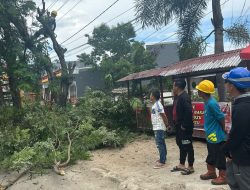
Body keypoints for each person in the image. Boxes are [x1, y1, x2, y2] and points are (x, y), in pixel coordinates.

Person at [222, 67, 250, 190]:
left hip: (243, 158)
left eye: (226, 82)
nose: (225, 85)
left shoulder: (241, 107)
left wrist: (226, 149)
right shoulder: (244, 103)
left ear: (232, 86)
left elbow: (237, 135)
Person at [196, 80, 227, 185]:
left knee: (219, 155)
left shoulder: (212, 103)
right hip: (211, 134)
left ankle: (223, 176)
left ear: (203, 92)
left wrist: (223, 129)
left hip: (216, 135)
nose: (197, 91)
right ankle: (211, 172)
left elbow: (221, 117)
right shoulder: (207, 102)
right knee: (211, 154)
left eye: (199, 90)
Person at [171, 79, 195, 175]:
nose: (172, 88)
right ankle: (181, 164)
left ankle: (190, 166)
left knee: (187, 145)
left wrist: (184, 125)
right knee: (180, 144)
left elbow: (189, 111)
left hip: (185, 128)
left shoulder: (184, 97)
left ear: (177, 87)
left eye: (173, 86)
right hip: (179, 127)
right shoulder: (178, 97)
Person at [150, 89, 168, 169]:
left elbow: (163, 115)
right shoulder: (155, 104)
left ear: (153, 96)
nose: (149, 96)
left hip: (159, 127)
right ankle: (163, 157)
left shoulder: (158, 104)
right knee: (161, 143)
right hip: (157, 127)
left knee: (160, 143)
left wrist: (167, 125)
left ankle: (162, 161)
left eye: (150, 95)